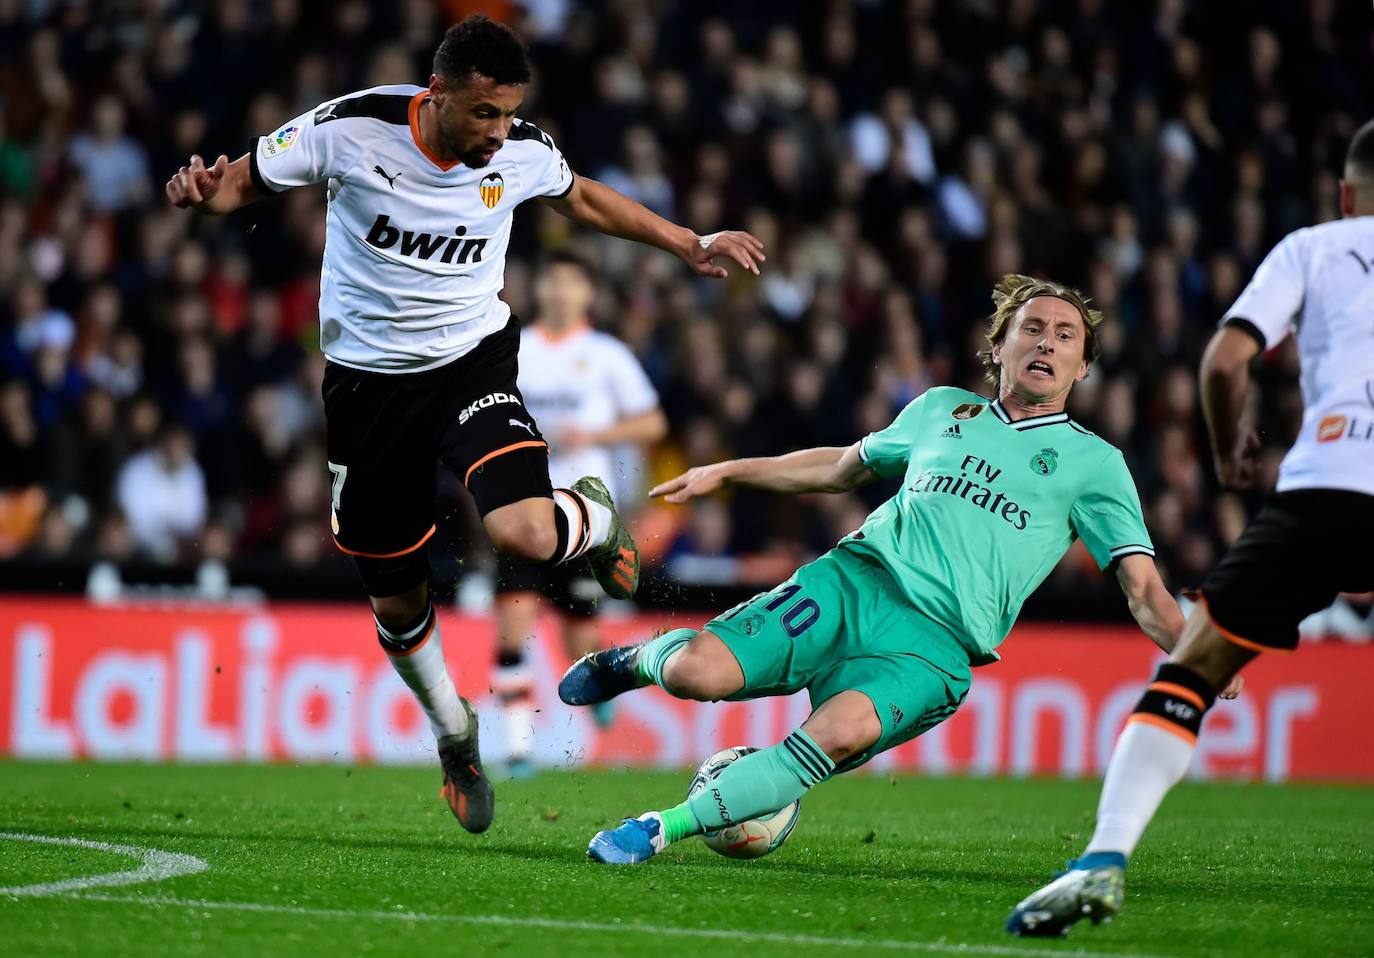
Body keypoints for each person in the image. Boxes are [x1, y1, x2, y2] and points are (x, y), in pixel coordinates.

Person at [164, 16, 763, 834]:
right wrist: (205, 196)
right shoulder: (352, 127)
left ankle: (587, 514)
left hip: (471, 366)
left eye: (509, 113)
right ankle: (457, 737)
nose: (497, 132)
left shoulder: (519, 149)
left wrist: (686, 242)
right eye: (483, 113)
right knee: (396, 601)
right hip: (367, 391)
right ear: (437, 92)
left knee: (521, 530)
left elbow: (580, 194)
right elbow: (241, 181)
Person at [560, 273, 1230, 865]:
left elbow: (1142, 588)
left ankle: (656, 828)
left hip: (933, 649)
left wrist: (1197, 656)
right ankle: (634, 663)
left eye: (1065, 336)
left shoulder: (1096, 465)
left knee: (837, 735)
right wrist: (730, 470)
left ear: (1084, 366)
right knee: (695, 673)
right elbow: (840, 467)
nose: (1048, 344)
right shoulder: (942, 410)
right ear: (999, 346)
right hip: (852, 582)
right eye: (1032, 329)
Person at [1007, 119, 1374, 938]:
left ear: (1348, 195)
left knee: (1194, 667)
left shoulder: (1314, 247)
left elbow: (1223, 361)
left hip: (1329, 486)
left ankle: (1102, 860)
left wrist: (1228, 450)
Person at [493, 251, 667, 769]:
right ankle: (518, 748)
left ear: (587, 294)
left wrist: (594, 433)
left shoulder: (606, 353)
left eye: (570, 283)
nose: (559, 292)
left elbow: (653, 425)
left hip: (585, 517)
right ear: (539, 289)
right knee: (510, 628)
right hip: (524, 507)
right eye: (551, 281)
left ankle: (603, 683)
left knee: (579, 642)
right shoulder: (516, 348)